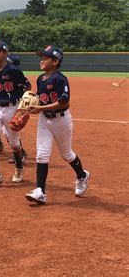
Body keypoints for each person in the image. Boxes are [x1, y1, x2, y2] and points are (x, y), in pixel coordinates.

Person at [25, 45, 90, 205]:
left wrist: (39, 108)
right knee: (42, 154)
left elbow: (63, 102)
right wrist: (24, 108)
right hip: (44, 121)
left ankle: (82, 175)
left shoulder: (60, 79)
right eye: (42, 57)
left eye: (45, 58)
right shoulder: (40, 79)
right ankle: (40, 191)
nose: (42, 60)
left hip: (61, 120)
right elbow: (41, 97)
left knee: (66, 154)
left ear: (55, 61)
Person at [0, 41, 28, 187]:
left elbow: (27, 86)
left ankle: (19, 168)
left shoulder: (13, 70)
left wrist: (23, 106)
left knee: (14, 144)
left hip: (11, 108)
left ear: (5, 54)